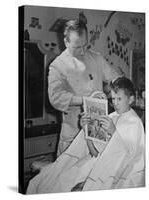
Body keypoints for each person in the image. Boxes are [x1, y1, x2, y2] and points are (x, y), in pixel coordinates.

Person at [27, 77, 145, 194]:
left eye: (119, 99)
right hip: (94, 164)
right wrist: (86, 130)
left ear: (130, 99)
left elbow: (127, 159)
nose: (115, 103)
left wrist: (113, 132)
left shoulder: (134, 123)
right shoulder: (112, 117)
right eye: (113, 99)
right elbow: (95, 153)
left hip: (113, 172)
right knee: (48, 182)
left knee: (70, 188)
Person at [48, 19, 119, 156]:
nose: (82, 52)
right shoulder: (57, 66)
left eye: (85, 45)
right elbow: (55, 97)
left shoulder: (96, 58)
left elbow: (115, 79)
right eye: (77, 47)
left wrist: (114, 90)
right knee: (68, 175)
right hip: (73, 133)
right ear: (66, 42)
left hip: (97, 131)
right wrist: (86, 100)